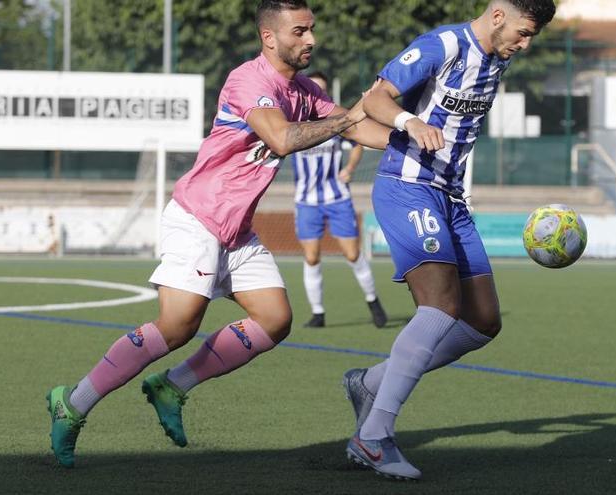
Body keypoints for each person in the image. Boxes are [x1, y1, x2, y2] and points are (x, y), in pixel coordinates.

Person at [45, 0, 390, 468]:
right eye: (299, 31)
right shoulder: (249, 79)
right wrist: (351, 118)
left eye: (312, 30)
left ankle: (172, 386)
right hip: (198, 216)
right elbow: (284, 139)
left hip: (236, 229)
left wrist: (414, 132)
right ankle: (73, 402)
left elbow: (360, 126)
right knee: (178, 325)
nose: (310, 40)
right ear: (270, 37)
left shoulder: (304, 90)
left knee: (274, 319)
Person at [341, 0, 556, 480]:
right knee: (439, 308)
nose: (524, 45)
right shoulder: (443, 45)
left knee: (482, 322)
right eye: (523, 32)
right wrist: (409, 122)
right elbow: (375, 99)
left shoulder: (497, 59)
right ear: (498, 14)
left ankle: (370, 383)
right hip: (407, 188)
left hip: (451, 199)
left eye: (532, 38)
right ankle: (373, 437)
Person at [290, 72, 388, 329]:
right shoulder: (294, 122)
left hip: (337, 199)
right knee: (311, 258)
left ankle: (372, 299)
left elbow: (357, 141)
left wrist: (350, 168)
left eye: (321, 89)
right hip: (306, 201)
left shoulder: (334, 122)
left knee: (353, 254)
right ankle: (318, 313)